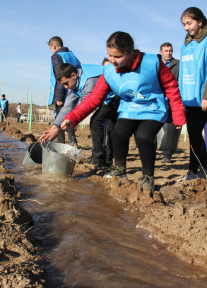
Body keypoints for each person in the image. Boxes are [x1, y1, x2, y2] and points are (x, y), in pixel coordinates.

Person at [61, 32, 186, 192]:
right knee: (119, 131)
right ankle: (120, 170)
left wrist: (178, 114)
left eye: (117, 56)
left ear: (129, 52)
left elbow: (171, 85)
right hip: (130, 107)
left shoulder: (152, 62)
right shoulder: (109, 71)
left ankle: (148, 176)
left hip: (152, 107)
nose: (112, 60)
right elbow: (94, 99)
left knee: (143, 136)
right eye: (109, 55)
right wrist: (73, 118)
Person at [178, 7, 207, 180]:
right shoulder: (186, 43)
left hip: (203, 98)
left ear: (200, 21)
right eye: (183, 24)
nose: (186, 27)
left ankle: (197, 171)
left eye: (189, 23)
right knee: (194, 135)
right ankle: (200, 171)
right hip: (188, 97)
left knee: (195, 134)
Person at [39, 63, 102, 144]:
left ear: (74, 75)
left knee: (97, 121)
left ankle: (99, 156)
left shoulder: (89, 81)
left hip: (115, 97)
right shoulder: (73, 81)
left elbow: (83, 108)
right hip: (106, 100)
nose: (65, 87)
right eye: (63, 84)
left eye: (66, 83)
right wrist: (53, 128)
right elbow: (67, 106)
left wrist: (57, 132)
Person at [48, 36, 81, 146]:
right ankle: (72, 141)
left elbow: (61, 77)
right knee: (69, 117)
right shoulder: (72, 55)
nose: (52, 51)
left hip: (64, 93)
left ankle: (60, 144)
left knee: (61, 117)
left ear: (54, 46)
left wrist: (59, 97)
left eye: (51, 49)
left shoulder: (56, 56)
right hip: (75, 90)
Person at [89, 57, 119, 168]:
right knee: (102, 128)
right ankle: (100, 158)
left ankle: (108, 159)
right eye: (106, 67)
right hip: (104, 104)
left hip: (114, 103)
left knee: (111, 130)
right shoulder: (101, 79)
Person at [159, 42, 180, 163]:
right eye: (166, 51)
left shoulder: (178, 65)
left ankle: (167, 155)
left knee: (170, 124)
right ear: (161, 52)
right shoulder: (156, 63)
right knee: (154, 123)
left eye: (170, 50)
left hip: (172, 98)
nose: (168, 53)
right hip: (158, 99)